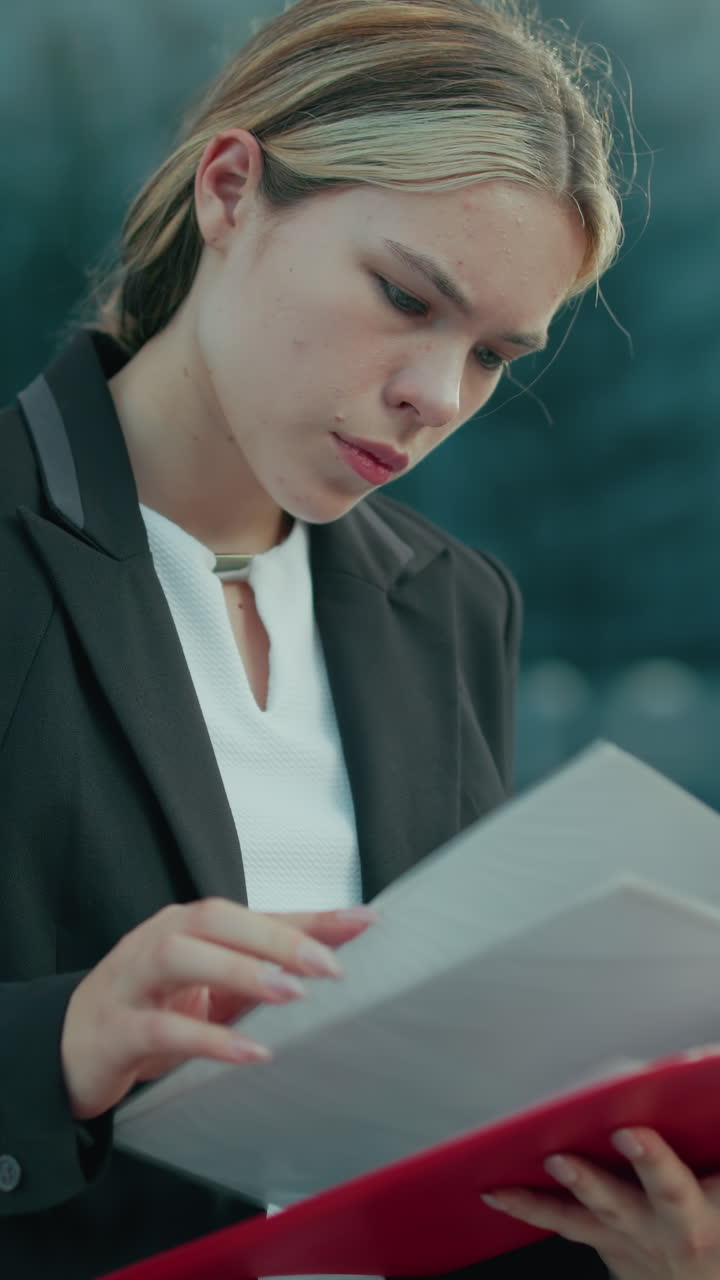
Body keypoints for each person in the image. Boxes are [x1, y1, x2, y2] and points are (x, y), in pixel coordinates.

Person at [5, 1, 717, 1277]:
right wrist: (61, 1043)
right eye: (404, 295)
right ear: (233, 190)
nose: (436, 398)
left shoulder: (451, 605)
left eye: (494, 355)